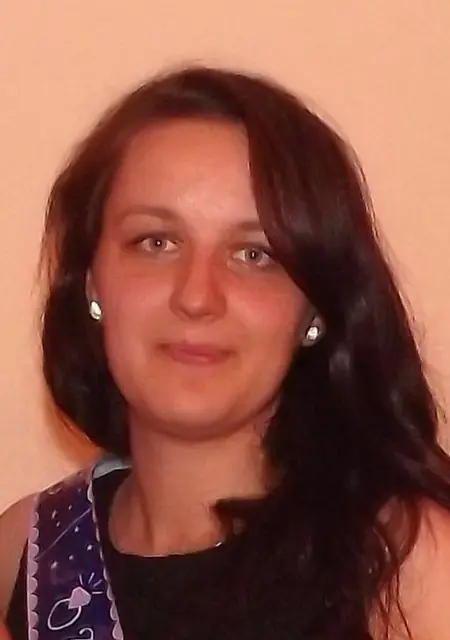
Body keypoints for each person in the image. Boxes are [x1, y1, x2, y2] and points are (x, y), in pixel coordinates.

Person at [0, 65, 449, 640]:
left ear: (315, 306)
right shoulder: (32, 555)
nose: (197, 296)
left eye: (254, 254)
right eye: (156, 242)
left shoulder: (405, 564)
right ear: (91, 281)